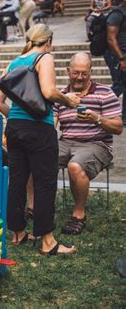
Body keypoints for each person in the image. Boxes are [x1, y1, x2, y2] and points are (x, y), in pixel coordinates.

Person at [0, 24, 80, 255]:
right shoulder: (45, 58)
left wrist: (18, 117)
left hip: (14, 129)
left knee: (17, 181)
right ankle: (47, 241)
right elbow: (50, 92)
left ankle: (18, 233)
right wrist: (68, 100)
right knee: (44, 183)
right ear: (48, 40)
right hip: (39, 130)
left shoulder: (15, 62)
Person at [54, 52, 123, 235]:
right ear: (68, 71)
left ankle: (79, 215)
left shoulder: (105, 93)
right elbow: (51, 124)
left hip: (97, 144)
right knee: (36, 156)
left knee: (75, 166)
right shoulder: (61, 95)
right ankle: (33, 207)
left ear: (91, 72)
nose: (80, 77)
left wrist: (97, 118)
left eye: (84, 73)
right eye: (76, 72)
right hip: (66, 141)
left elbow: (118, 128)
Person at [105, 0, 126, 125]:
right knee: (118, 85)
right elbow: (110, 38)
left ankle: (124, 117)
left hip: (123, 54)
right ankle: (99, 107)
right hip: (117, 55)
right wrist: (121, 58)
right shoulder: (117, 14)